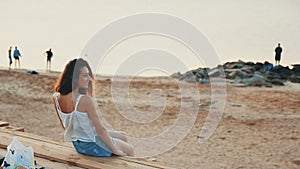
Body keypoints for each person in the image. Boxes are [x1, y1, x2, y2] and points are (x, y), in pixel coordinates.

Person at [52, 58, 134, 157]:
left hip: (79, 144)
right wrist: (115, 150)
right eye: (86, 76)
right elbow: (101, 130)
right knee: (130, 149)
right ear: (75, 78)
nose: (90, 79)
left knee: (123, 136)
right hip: (92, 146)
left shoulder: (56, 97)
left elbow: (66, 127)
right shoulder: (84, 100)